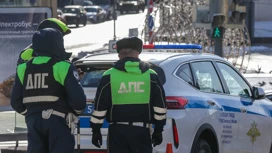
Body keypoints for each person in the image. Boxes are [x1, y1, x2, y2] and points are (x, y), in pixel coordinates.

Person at [10, 28, 86, 153]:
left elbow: (15, 102)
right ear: (57, 44)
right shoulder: (62, 66)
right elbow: (78, 101)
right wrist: (75, 113)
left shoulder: (23, 68)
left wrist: (32, 113)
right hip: (59, 122)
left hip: (33, 122)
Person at [90, 37, 167, 153]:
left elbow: (99, 107)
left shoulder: (109, 76)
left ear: (119, 55)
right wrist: (158, 130)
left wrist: (96, 131)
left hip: (117, 133)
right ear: (138, 53)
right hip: (142, 132)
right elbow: (160, 106)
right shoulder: (151, 76)